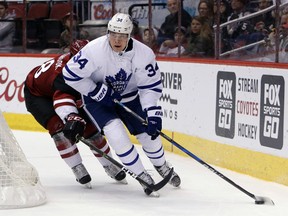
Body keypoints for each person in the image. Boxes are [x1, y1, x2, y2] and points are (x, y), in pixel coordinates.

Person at [62, 13, 181, 196]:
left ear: (130, 35)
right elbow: (70, 75)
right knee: (116, 135)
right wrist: (97, 91)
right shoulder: (94, 50)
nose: (117, 39)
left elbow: (150, 86)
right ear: (108, 32)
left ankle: (161, 165)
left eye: (122, 36)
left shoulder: (143, 53)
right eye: (113, 34)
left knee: (148, 134)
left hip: (131, 97)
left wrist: (152, 112)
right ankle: (141, 175)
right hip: (97, 100)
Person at [24, 39, 126, 188]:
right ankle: (76, 166)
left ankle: (109, 164)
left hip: (56, 90)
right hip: (38, 94)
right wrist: (71, 116)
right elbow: (61, 98)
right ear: (74, 57)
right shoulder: (64, 74)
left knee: (91, 130)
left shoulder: (92, 62)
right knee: (58, 128)